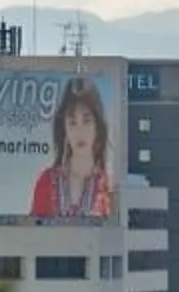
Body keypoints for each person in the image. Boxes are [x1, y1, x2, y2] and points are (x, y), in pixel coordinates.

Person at [29, 77, 116, 220]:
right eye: (72, 122)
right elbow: (32, 234)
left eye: (86, 121)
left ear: (97, 127)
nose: (79, 131)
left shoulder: (109, 187)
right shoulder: (46, 181)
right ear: (64, 129)